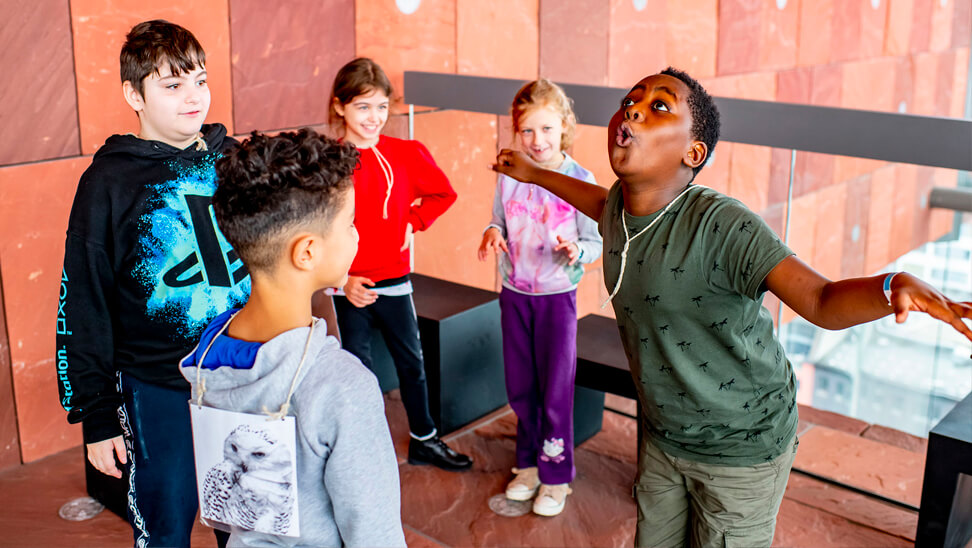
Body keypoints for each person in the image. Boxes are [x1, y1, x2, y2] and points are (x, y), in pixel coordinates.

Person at [493, 67, 972, 546]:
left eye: (659, 105)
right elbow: (597, 201)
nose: (633, 107)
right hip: (665, 435)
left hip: (742, 447)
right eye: (630, 98)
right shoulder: (620, 207)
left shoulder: (722, 225)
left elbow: (820, 300)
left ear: (693, 152)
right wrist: (534, 174)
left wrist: (890, 287)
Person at [55, 20, 249, 547]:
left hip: (241, 377)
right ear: (132, 94)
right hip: (157, 387)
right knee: (166, 526)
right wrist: (95, 416)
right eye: (172, 85)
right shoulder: (108, 183)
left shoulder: (232, 160)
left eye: (201, 81)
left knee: (250, 525)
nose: (194, 97)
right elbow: (85, 300)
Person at [180, 128, 406, 547]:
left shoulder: (208, 356)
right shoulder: (343, 386)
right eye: (349, 224)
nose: (356, 234)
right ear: (307, 252)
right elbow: (375, 535)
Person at [328, 57, 471, 470]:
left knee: (413, 365)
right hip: (347, 288)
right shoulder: (329, 161)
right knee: (356, 372)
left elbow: (444, 194)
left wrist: (414, 219)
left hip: (394, 281)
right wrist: (341, 281)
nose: (373, 117)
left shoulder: (406, 153)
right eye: (362, 107)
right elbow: (315, 229)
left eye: (381, 107)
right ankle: (362, 449)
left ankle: (424, 439)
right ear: (340, 107)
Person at [478, 79, 602, 516]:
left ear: (564, 127)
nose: (537, 141)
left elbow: (596, 241)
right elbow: (498, 219)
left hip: (556, 299)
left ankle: (556, 476)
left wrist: (579, 252)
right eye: (528, 131)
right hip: (515, 295)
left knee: (554, 389)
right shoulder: (509, 173)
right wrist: (492, 233)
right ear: (516, 131)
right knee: (521, 385)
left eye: (547, 129)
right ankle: (528, 464)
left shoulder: (581, 181)